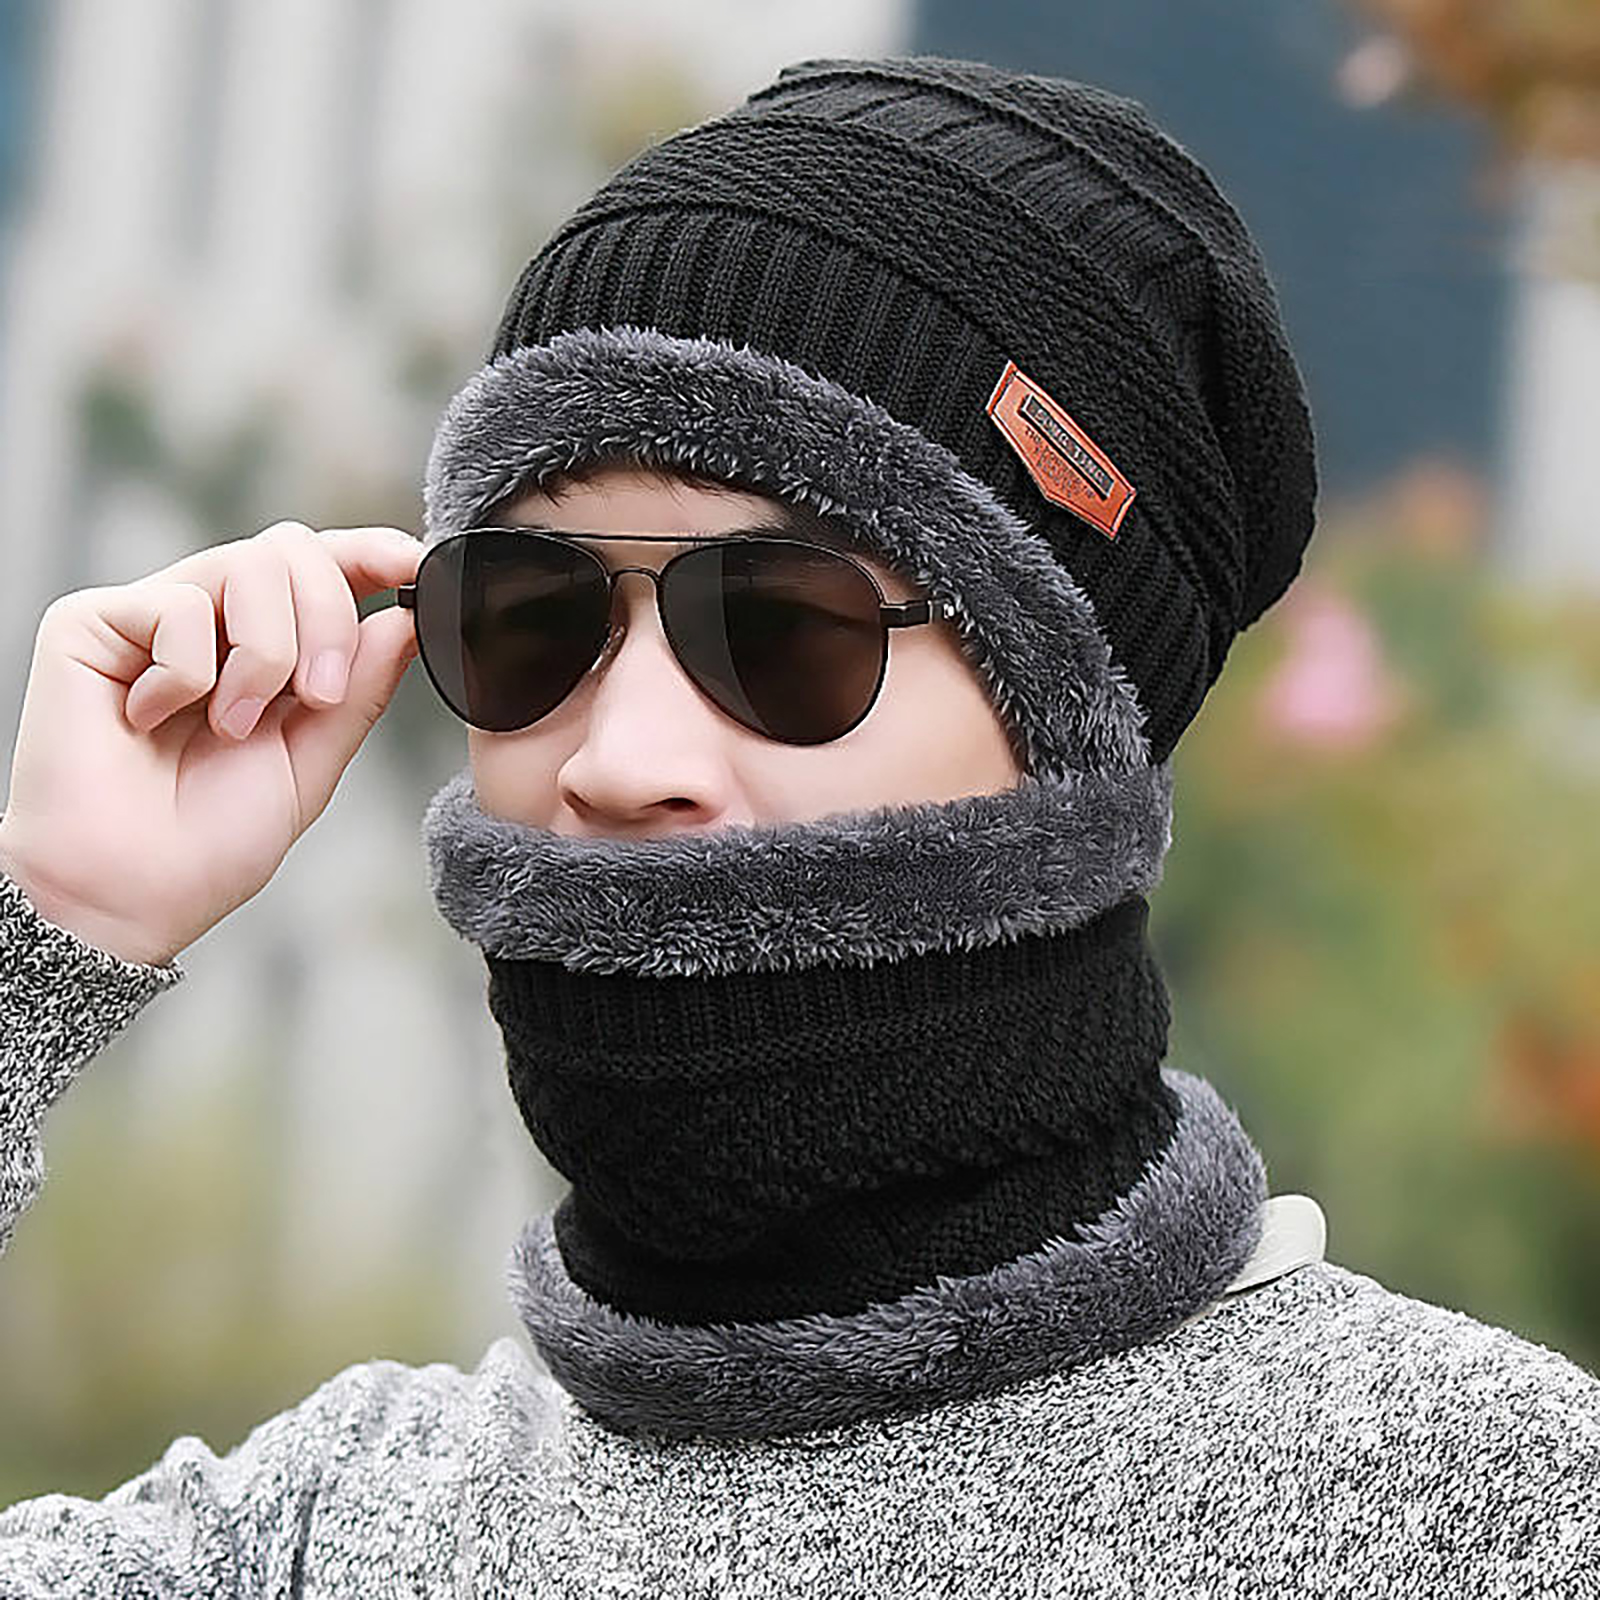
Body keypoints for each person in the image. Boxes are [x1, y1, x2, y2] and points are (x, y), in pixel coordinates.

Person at [1, 52, 1596, 1597]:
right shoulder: (321, 1535)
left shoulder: (1486, 1518)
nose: (618, 757)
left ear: (1072, 735)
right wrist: (50, 939)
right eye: (529, 614)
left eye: (781, 626)